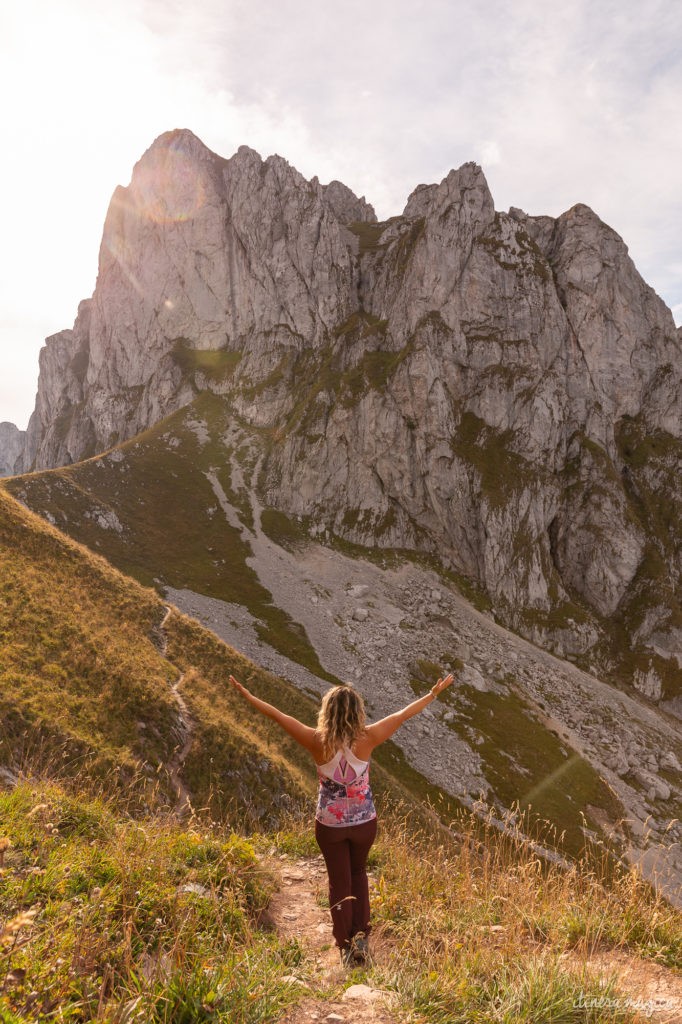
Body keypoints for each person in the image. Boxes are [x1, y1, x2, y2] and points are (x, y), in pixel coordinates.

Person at [228, 670, 455, 967]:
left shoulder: (316, 740)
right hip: (363, 823)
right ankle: (361, 936)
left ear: (327, 712)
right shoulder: (369, 737)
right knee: (359, 873)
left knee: (339, 881)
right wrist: (432, 694)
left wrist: (248, 696)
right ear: (357, 712)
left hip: (330, 824)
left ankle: (345, 945)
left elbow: (278, 716)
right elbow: (402, 715)